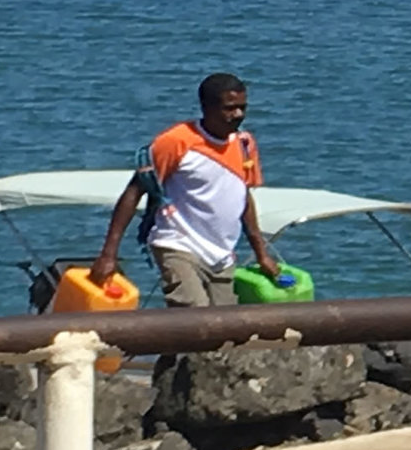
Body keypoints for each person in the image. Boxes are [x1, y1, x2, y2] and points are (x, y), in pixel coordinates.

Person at [90, 73, 281, 307]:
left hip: (222, 254)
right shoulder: (176, 142)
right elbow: (133, 192)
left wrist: (261, 253)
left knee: (226, 328)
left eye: (242, 107)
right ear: (206, 107)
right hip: (178, 245)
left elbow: (243, 198)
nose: (238, 115)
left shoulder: (244, 143)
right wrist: (108, 254)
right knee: (195, 316)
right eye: (229, 108)